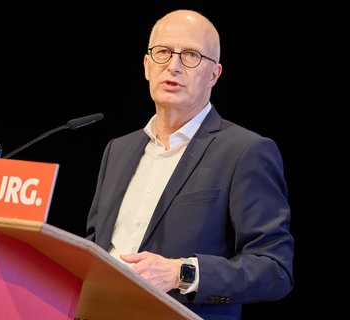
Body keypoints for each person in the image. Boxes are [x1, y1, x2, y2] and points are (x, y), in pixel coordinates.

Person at [84, 9, 294, 320]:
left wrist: (180, 272)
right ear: (146, 66)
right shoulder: (118, 149)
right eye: (163, 52)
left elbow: (274, 269)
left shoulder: (245, 151)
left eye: (191, 55)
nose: (173, 66)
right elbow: (94, 247)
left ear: (214, 74)